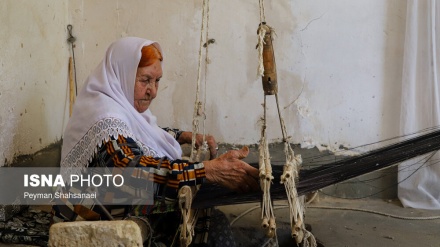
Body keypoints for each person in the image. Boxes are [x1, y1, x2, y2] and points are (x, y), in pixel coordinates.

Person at [51, 37, 260, 246]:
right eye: (145, 80)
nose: (153, 91)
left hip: (114, 205)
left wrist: (181, 135)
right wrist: (207, 170)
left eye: (157, 80)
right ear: (122, 74)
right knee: (209, 225)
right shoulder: (104, 118)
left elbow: (142, 132)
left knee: (208, 220)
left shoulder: (120, 107)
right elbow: (131, 171)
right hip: (93, 217)